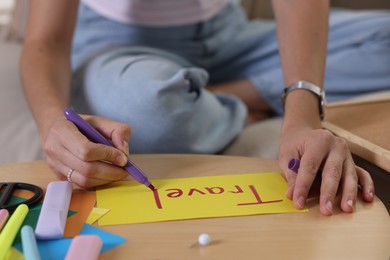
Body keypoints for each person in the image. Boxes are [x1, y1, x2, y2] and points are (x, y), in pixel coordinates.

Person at [20, 0, 389, 216]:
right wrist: (52, 124)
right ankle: (206, 99)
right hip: (120, 46)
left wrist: (303, 114)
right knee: (149, 109)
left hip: (229, 34)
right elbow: (45, 40)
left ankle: (208, 96)